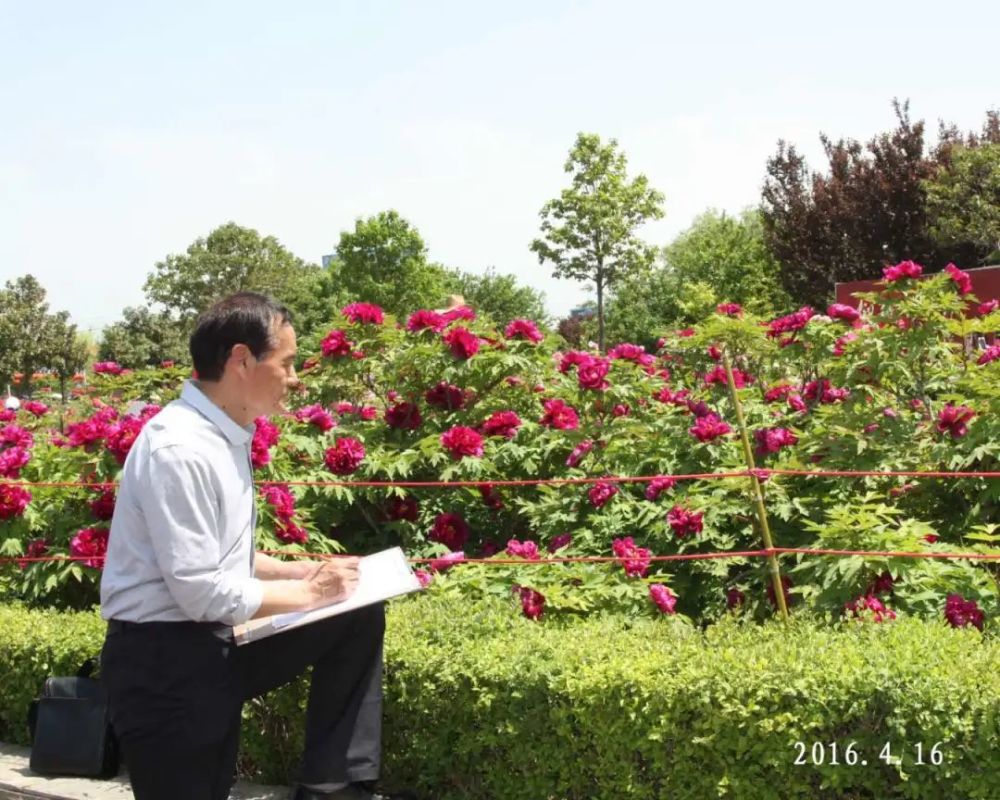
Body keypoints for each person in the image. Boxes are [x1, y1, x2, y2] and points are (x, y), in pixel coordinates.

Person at [99, 293, 416, 800]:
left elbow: (225, 559)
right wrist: (315, 594)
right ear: (241, 360)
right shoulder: (181, 448)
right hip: (163, 664)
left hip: (210, 645)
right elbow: (201, 592)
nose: (295, 379)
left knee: (356, 612)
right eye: (286, 363)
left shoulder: (224, 434)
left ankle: (332, 787)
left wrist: (307, 572)